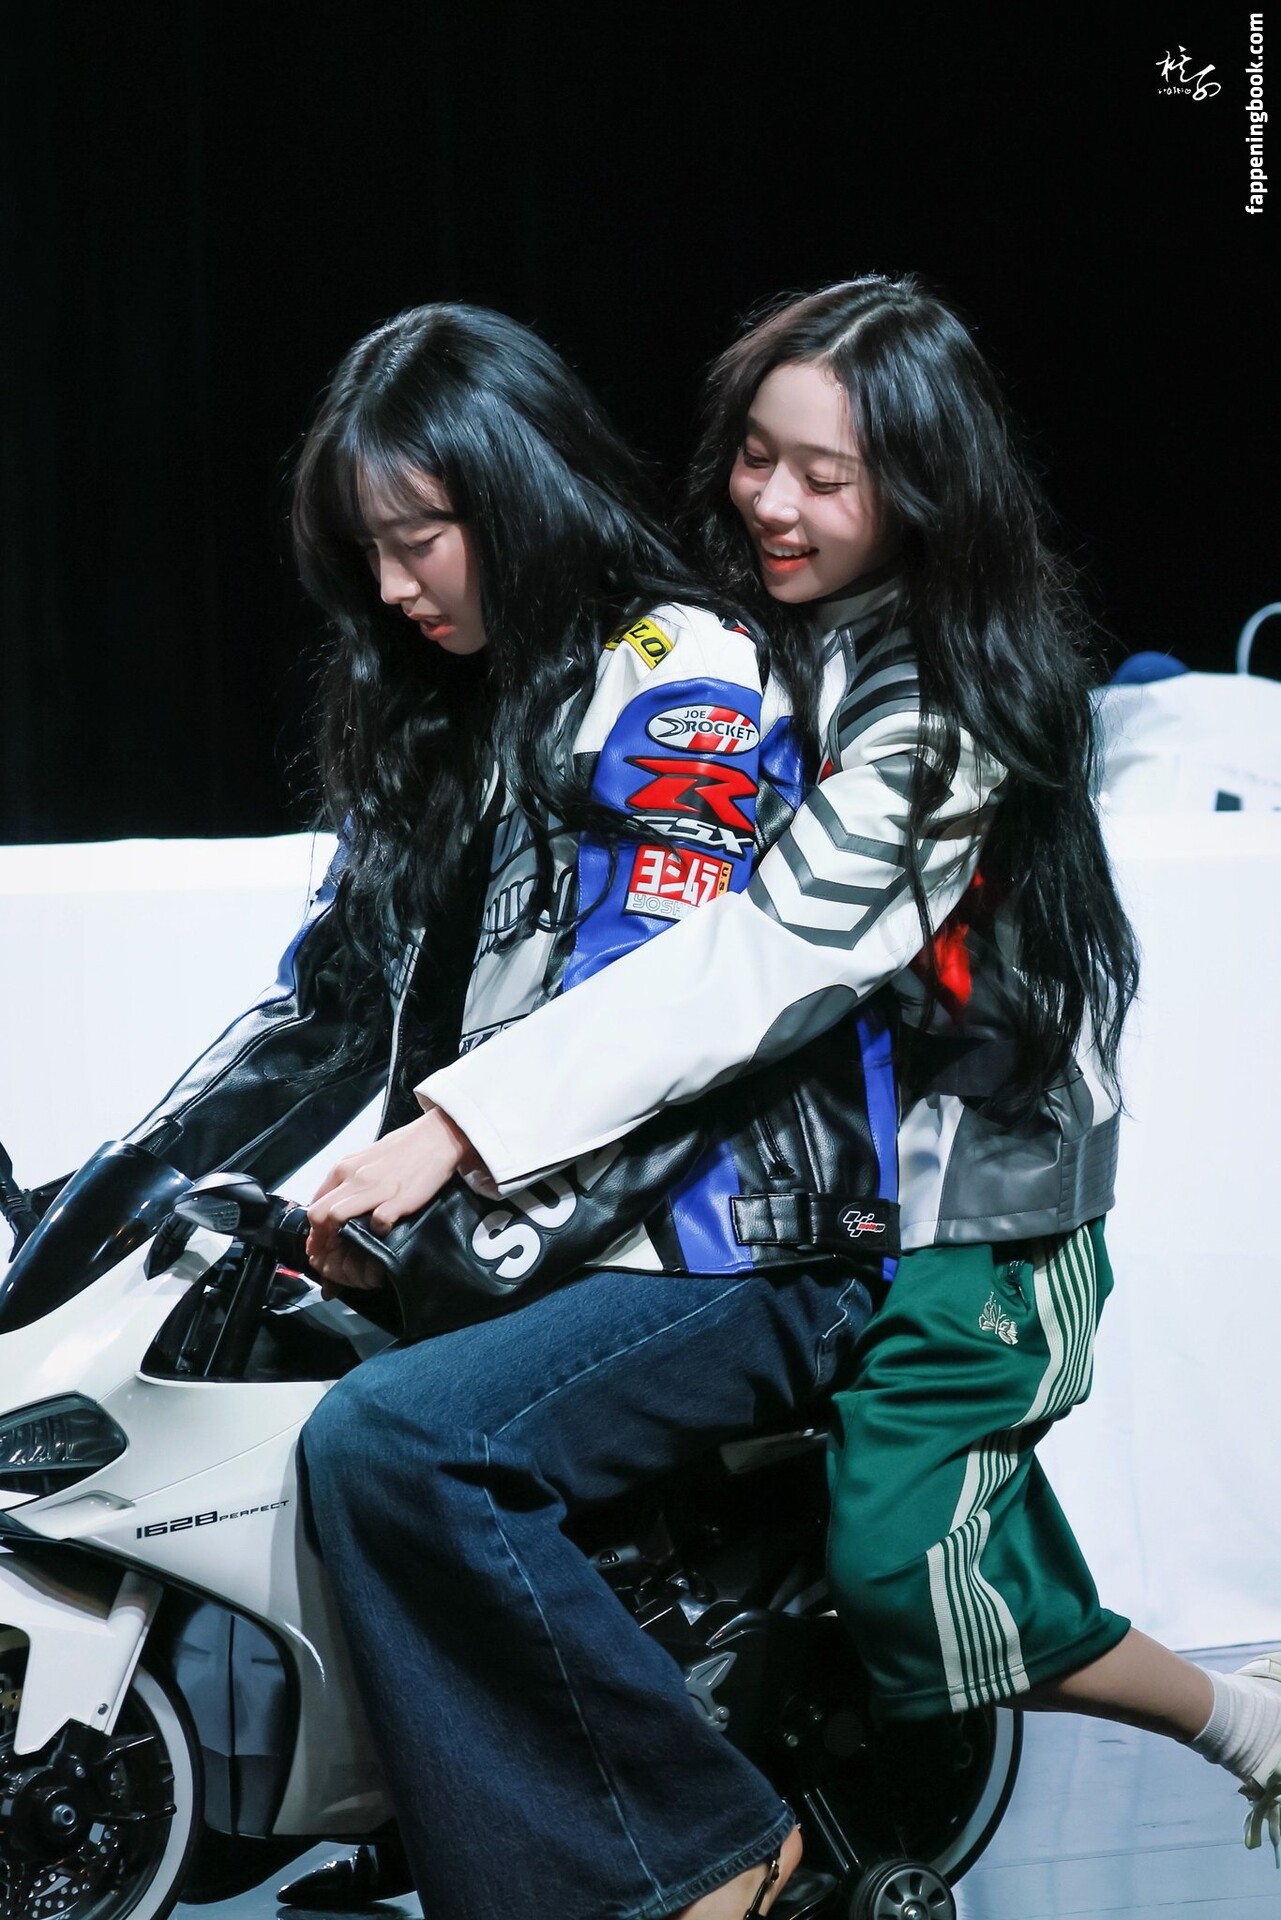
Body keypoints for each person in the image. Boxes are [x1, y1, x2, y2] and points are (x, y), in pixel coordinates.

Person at [306, 278, 1281, 1868]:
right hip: (800, 1170)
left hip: (971, 1202)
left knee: (908, 1568)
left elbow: (763, 954)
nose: (771, 500)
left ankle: (1230, 1726)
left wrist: (459, 1131)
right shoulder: (732, 633)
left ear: (925, 491)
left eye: (826, 477)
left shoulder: (945, 705)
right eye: (756, 455)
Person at [128, 301, 896, 1920]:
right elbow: (317, 1015)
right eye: (366, 551)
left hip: (736, 1239)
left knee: (402, 1439)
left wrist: (444, 1193)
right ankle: (432, 1816)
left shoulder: (676, 674)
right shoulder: (453, 711)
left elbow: (664, 1005)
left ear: (517, 491)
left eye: (417, 538)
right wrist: (120, 1194)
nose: (391, 586)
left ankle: (706, 1846)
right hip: (558, 1230)